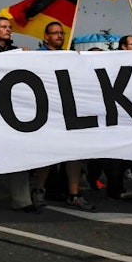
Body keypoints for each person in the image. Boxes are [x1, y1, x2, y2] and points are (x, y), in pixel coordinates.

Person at [31, 22, 95, 211]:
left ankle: (74, 194)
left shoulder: (70, 55)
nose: (60, 36)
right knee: (49, 154)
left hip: (68, 110)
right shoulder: (36, 56)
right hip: (48, 112)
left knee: (73, 154)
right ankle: (38, 190)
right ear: (46, 37)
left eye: (62, 33)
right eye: (55, 33)